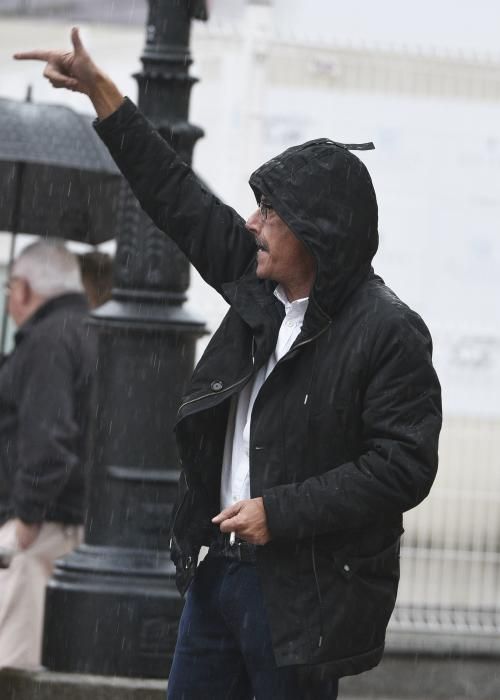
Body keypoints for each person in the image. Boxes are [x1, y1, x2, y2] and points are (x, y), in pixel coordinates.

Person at [15, 30, 442, 699]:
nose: (251, 223)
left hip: (302, 592)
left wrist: (282, 510)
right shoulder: (260, 290)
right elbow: (178, 200)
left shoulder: (387, 332)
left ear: (318, 228)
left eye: (270, 212)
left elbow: (404, 466)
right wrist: (102, 94)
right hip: (221, 577)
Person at [0, 239, 96, 669]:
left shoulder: (46, 343)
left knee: (13, 669)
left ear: (23, 289)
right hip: (76, 522)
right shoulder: (91, 330)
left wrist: (24, 521)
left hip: (38, 532)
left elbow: (48, 440)